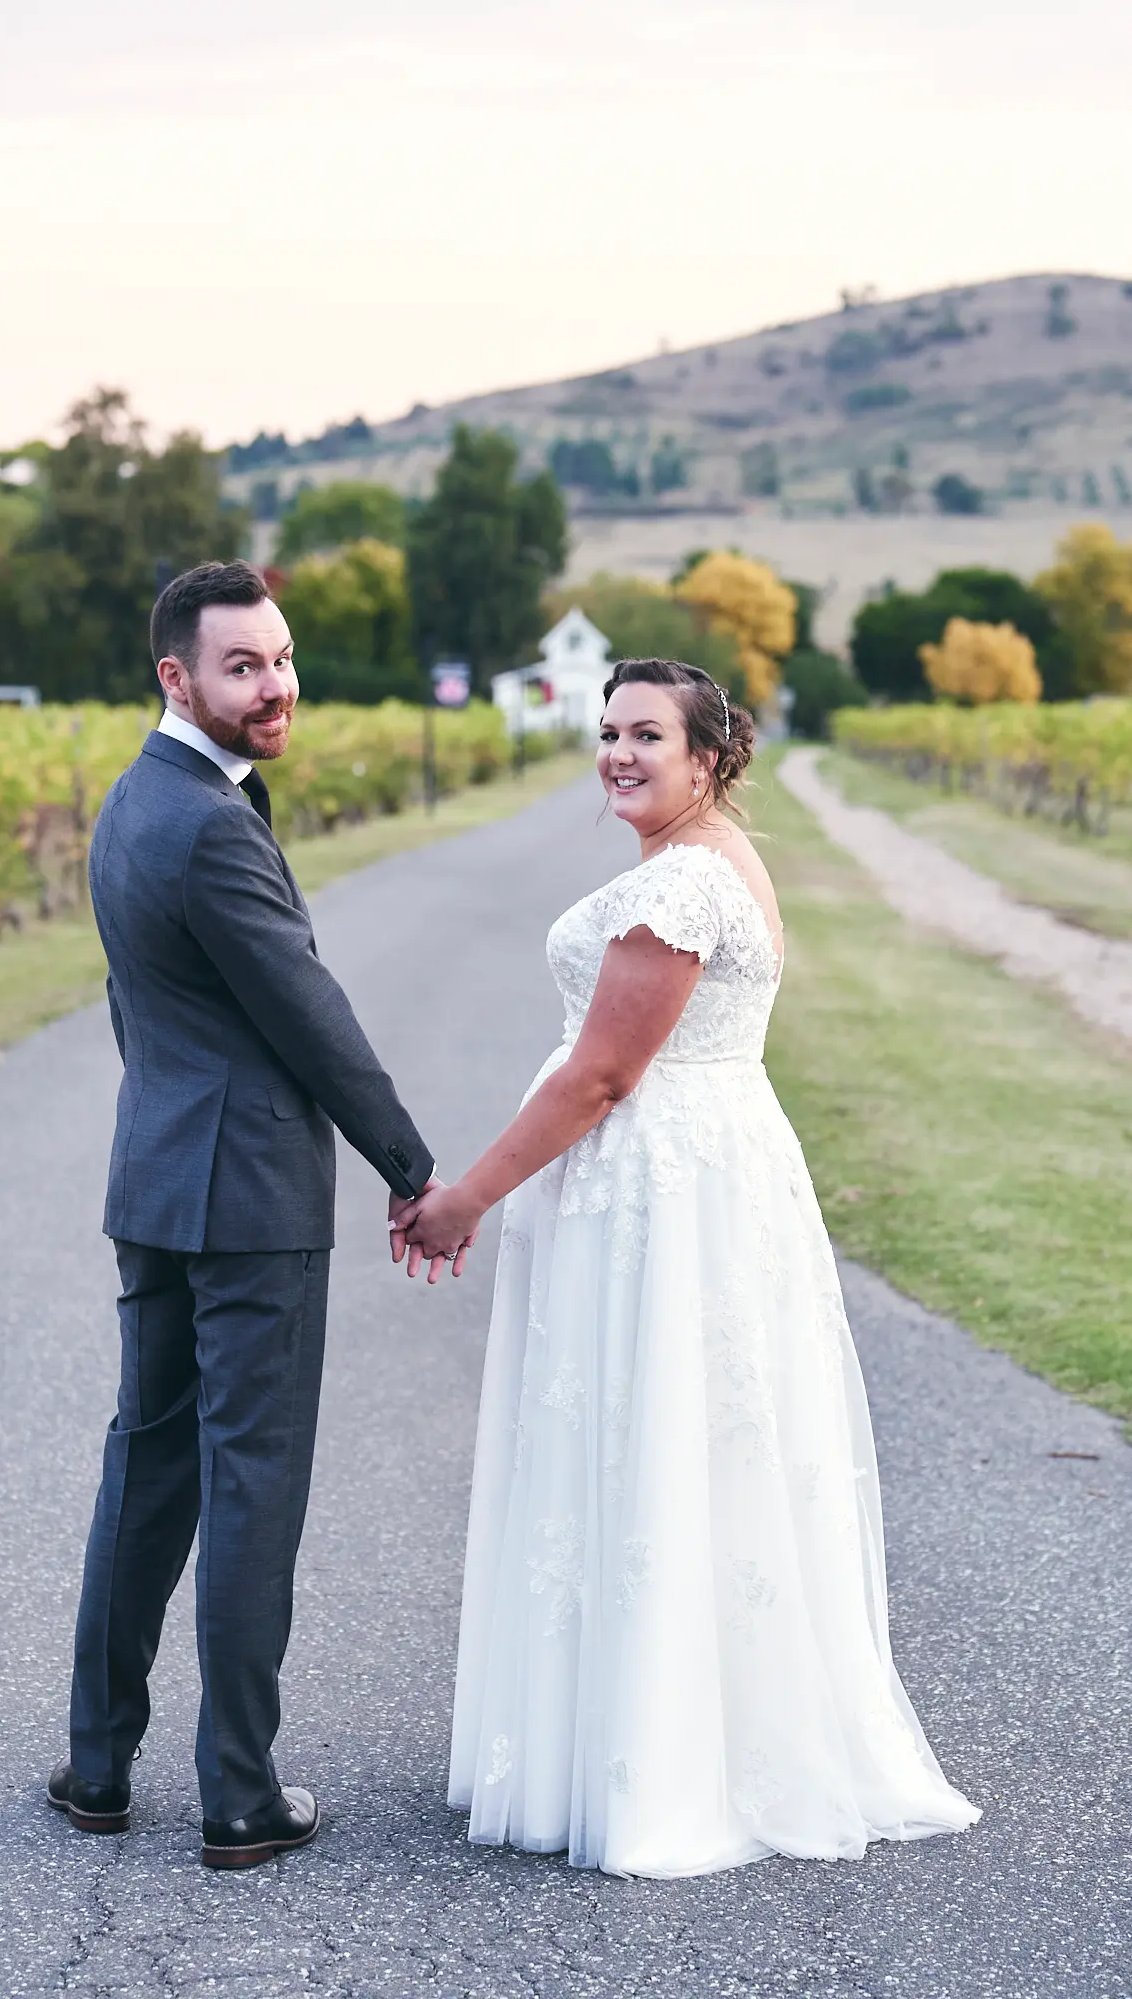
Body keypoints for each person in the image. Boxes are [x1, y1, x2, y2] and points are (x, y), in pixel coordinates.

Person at [394, 658, 980, 1878]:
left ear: (707, 756)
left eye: (645, 734)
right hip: (688, 1171)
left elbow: (603, 1076)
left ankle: (659, 1760)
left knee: (656, 1432)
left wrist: (463, 1200)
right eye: (607, 730)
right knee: (678, 1439)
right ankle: (638, 1732)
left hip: (660, 1182)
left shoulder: (689, 883)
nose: (616, 751)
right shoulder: (694, 860)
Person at [47, 560, 444, 1869]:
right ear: (177, 677)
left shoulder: (132, 800)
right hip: (251, 1201)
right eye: (243, 666)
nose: (274, 685)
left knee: (145, 1471)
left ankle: (96, 1769)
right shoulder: (210, 822)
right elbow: (306, 1014)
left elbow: (135, 1008)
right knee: (250, 1486)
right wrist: (409, 1163)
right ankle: (237, 1795)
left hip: (156, 1180)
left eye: (279, 660)